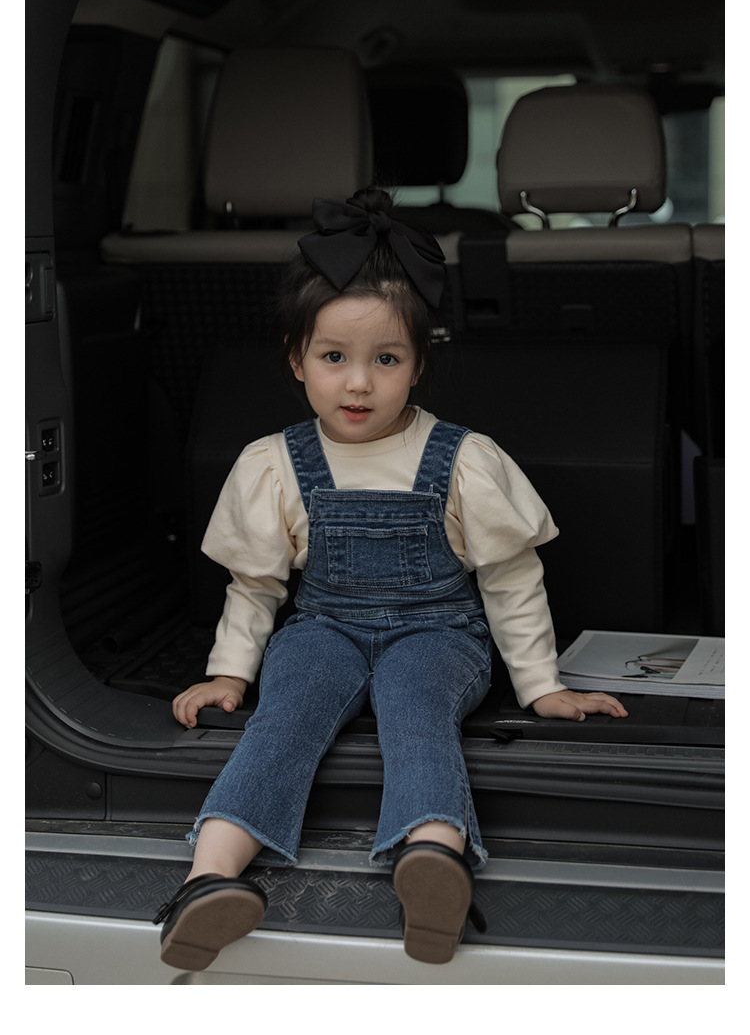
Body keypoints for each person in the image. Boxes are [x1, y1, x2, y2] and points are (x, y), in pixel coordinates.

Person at [153, 187, 627, 971]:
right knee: (285, 713)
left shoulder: (464, 458)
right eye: (333, 358)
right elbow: (256, 585)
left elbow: (511, 579)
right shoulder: (274, 463)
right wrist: (229, 674)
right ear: (296, 360)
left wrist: (542, 686)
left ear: (418, 365)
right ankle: (208, 881)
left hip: (439, 632)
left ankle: (432, 857)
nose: (358, 384)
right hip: (325, 627)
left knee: (417, 708)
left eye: (386, 360)